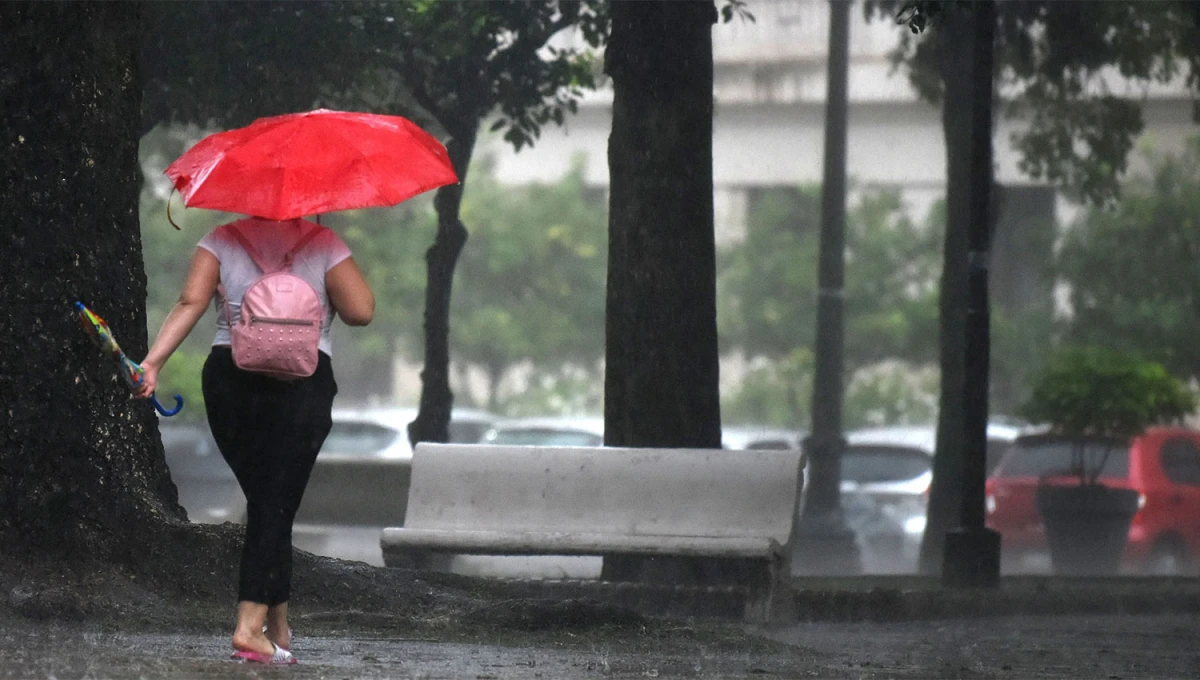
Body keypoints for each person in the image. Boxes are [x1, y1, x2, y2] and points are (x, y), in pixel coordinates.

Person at [136, 216, 374, 664]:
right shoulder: (324, 243)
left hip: (231, 381)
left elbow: (189, 302)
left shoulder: (221, 240)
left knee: (270, 501)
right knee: (275, 503)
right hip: (302, 383)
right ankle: (248, 627)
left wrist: (152, 364)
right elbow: (361, 311)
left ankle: (278, 625)